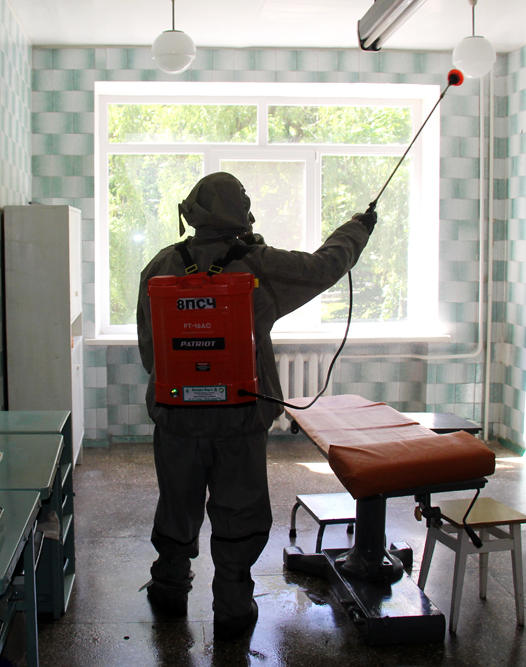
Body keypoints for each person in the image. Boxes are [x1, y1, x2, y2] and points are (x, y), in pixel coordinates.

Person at [136, 171, 377, 640]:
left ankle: (169, 587)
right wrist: (357, 227)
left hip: (177, 417)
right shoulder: (258, 266)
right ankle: (232, 606)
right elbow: (325, 266)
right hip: (240, 416)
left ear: (192, 211)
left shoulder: (160, 265)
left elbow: (151, 351)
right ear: (242, 214)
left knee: (177, 504)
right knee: (239, 512)